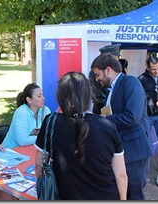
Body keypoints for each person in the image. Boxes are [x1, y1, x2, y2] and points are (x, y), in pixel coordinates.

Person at [35, 72, 128, 200]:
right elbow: (121, 175)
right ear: (88, 95)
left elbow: (39, 164)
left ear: (60, 97)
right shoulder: (107, 126)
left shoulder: (51, 122)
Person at [91, 54, 153, 200]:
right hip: (122, 150)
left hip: (135, 151)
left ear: (108, 70)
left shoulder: (131, 82)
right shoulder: (111, 89)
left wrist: (104, 120)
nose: (97, 79)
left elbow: (132, 117)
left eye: (97, 74)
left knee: (134, 194)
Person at [2, 83, 51, 149]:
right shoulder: (21, 113)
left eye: (42, 95)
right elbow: (23, 141)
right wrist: (43, 137)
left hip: (33, 149)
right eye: (39, 96)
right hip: (12, 151)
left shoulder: (45, 110)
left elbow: (50, 132)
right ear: (29, 100)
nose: (43, 98)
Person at [89, 44, 120, 114]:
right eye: (115, 57)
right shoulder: (96, 72)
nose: (117, 60)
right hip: (102, 108)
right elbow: (98, 94)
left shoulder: (113, 71)